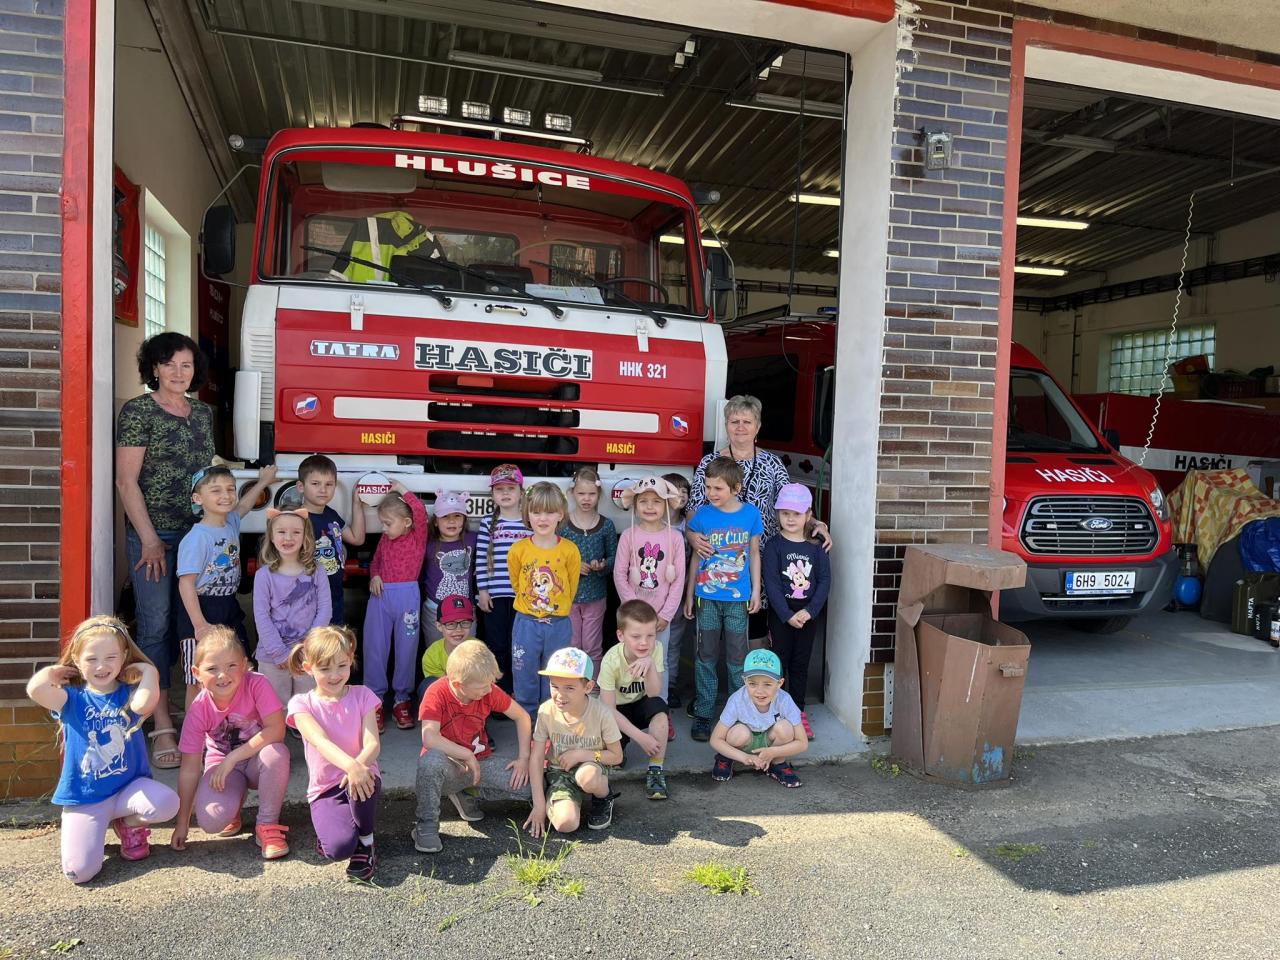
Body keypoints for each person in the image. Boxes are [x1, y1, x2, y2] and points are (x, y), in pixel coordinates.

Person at [115, 332, 215, 770]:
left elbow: (207, 473)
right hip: (153, 537)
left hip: (198, 537)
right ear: (154, 368)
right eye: (170, 363)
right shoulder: (139, 411)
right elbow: (126, 482)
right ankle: (161, 723)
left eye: (186, 365)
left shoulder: (203, 414)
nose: (178, 372)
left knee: (191, 624)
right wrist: (150, 539)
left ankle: (196, 713)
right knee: (155, 626)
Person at [27, 616, 179, 884]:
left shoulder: (128, 693)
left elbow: (144, 705)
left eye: (111, 657)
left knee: (167, 803)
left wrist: (150, 672)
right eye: (91, 659)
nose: (101, 666)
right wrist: (50, 674)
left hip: (127, 789)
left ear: (124, 657)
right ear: (76, 659)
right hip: (87, 797)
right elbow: (36, 690)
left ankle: (127, 824)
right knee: (79, 873)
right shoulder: (71, 698)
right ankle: (92, 829)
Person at [686, 395, 832, 641]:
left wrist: (816, 524)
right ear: (726, 425)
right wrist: (692, 536)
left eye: (747, 421)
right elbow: (694, 507)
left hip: (761, 557)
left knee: (755, 628)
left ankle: (753, 666)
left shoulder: (772, 463)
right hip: (718, 561)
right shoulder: (709, 463)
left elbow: (791, 504)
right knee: (713, 636)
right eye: (734, 421)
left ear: (758, 427)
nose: (740, 427)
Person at [172, 628, 291, 859]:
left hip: (257, 761)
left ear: (244, 665)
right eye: (212, 668)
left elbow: (276, 730)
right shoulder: (198, 709)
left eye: (231, 666)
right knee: (211, 822)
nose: (222, 675)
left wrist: (233, 758)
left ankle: (267, 824)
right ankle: (233, 805)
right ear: (196, 673)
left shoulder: (257, 684)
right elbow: (189, 770)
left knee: (276, 754)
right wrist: (182, 823)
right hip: (224, 769)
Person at [413, 640, 533, 854]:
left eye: (490, 684)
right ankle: (426, 825)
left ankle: (468, 793)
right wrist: (466, 754)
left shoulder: (488, 689)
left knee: (531, 786)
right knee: (430, 763)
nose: (488, 690)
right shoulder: (436, 692)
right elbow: (429, 737)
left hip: (480, 764)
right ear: (458, 684)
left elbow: (522, 717)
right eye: (482, 687)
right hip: (450, 767)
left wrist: (524, 759)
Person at [175, 464, 277, 708]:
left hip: (228, 605)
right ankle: (195, 727)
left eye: (230, 489)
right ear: (197, 499)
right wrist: (199, 625)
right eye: (216, 490)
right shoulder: (196, 538)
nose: (226, 495)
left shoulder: (230, 523)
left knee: (240, 664)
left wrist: (263, 483)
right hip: (201, 610)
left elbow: (243, 506)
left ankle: (233, 719)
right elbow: (186, 584)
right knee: (199, 678)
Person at [285, 625, 381, 882]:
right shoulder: (301, 704)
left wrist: (358, 767)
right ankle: (338, 831)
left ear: (350, 659)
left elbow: (372, 743)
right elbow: (319, 741)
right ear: (309, 668)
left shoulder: (363, 695)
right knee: (338, 849)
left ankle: (367, 842)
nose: (335, 675)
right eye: (325, 668)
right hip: (325, 787)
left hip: (361, 774)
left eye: (341, 665)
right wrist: (351, 766)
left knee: (363, 782)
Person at [683, 457, 764, 742]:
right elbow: (696, 557)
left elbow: (754, 554)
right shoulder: (703, 516)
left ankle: (737, 713)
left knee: (737, 658)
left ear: (736, 488)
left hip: (737, 600)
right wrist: (689, 594)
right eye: (707, 487)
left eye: (718, 488)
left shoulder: (751, 515)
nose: (711, 493)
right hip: (706, 597)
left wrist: (756, 590)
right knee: (705, 656)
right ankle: (704, 713)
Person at [525, 647, 623, 837]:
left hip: (591, 767)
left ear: (588, 687)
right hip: (559, 773)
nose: (560, 695)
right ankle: (557, 799)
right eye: (554, 686)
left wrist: (581, 754)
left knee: (587, 777)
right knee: (566, 824)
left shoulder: (602, 713)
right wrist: (538, 804)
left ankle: (603, 797)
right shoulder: (546, 711)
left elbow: (617, 756)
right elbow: (536, 757)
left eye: (569, 688)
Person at [762, 484, 831, 741]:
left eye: (797, 513)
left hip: (807, 616)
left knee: (800, 664)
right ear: (778, 514)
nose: (790, 519)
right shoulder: (774, 546)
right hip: (781, 616)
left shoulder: (817, 546)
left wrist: (810, 611)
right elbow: (772, 583)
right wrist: (786, 615)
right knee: (778, 663)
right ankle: (777, 712)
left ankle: (798, 712)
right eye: (785, 513)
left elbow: (824, 581)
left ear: (808, 514)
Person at [507, 481, 581, 718]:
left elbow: (571, 587)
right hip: (526, 623)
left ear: (560, 514)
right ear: (527, 514)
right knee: (524, 674)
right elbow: (517, 584)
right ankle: (527, 722)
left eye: (549, 512)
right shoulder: (518, 550)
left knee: (556, 675)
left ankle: (552, 722)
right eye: (536, 512)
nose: (543, 518)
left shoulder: (570, 550)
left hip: (558, 624)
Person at [614, 476, 686, 708]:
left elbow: (678, 581)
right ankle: (631, 705)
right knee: (630, 657)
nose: (649, 506)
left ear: (666, 504)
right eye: (643, 501)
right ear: (635, 505)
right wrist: (634, 611)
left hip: (660, 618)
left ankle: (658, 706)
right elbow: (620, 574)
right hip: (633, 616)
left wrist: (666, 614)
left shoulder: (675, 538)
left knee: (658, 661)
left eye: (656, 501)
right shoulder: (628, 536)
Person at [363, 481, 429, 732]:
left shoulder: (417, 536)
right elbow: (376, 561)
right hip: (381, 597)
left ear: (407, 522)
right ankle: (375, 700)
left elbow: (419, 510)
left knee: (406, 649)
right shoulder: (385, 539)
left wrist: (401, 488)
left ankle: (402, 699)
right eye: (382, 523)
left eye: (388, 523)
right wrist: (375, 576)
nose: (384, 528)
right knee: (375, 648)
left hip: (407, 598)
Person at [253, 507, 331, 710]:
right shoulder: (263, 575)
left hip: (307, 654)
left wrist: (308, 648)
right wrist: (278, 652)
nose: (288, 538)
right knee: (274, 706)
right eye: (281, 532)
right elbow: (261, 615)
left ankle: (301, 725)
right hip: (272, 655)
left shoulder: (317, 570)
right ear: (271, 536)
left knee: (307, 704)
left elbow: (325, 609)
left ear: (305, 536)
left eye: (296, 532)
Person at [596, 600, 670, 800]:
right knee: (614, 759)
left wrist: (650, 665)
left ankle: (656, 769)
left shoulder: (656, 649)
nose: (644, 643)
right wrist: (640, 737)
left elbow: (654, 693)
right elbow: (608, 710)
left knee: (660, 712)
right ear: (621, 636)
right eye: (636, 636)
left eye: (650, 635)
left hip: (640, 703)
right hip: (616, 712)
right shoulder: (611, 660)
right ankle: (620, 749)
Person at [709, 649, 807, 788]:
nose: (760, 691)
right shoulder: (737, 699)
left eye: (767, 684)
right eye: (753, 683)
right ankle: (726, 757)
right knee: (738, 732)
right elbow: (715, 739)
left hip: (770, 745)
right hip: (744, 743)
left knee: (785, 728)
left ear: (779, 683)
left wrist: (773, 752)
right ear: (745, 681)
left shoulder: (785, 700)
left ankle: (777, 763)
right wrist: (745, 757)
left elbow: (802, 743)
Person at [558, 466, 618, 679]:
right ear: (572, 493)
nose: (586, 498)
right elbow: (555, 558)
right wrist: (574, 566)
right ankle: (572, 683)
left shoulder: (606, 525)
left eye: (591, 494)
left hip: (596, 596)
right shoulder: (563, 525)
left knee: (592, 645)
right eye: (581, 493)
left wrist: (602, 565)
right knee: (572, 643)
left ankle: (593, 684)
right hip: (569, 596)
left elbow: (615, 557)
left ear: (599, 494)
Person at [475, 463, 530, 693]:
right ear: (493, 494)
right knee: (497, 645)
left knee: (519, 646)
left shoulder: (530, 522)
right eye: (499, 489)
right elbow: (480, 558)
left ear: (521, 492)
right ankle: (498, 692)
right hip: (495, 596)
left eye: (511, 488)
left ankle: (518, 691)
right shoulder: (488, 522)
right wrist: (483, 591)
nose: (505, 493)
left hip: (523, 597)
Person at [296, 454, 367, 626]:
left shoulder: (331, 514)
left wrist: (356, 504)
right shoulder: (297, 519)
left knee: (333, 639)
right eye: (315, 484)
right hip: (309, 601)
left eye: (329, 484)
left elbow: (357, 539)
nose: (323, 489)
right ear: (301, 486)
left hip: (335, 595)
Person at [420, 490, 477, 644]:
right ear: (435, 521)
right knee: (435, 649)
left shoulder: (472, 539)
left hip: (465, 610)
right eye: (445, 516)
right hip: (435, 609)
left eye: (457, 516)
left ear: (464, 520)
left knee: (467, 652)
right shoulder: (429, 543)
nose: (452, 521)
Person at [662, 472, 694, 710]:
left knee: (674, 641)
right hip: (656, 591)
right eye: (675, 491)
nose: (681, 496)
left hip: (680, 591)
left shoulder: (689, 526)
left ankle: (670, 684)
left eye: (685, 491)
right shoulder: (653, 524)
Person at [418, 594, 477, 699]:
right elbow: (440, 687)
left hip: (472, 698)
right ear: (439, 626)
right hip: (446, 698)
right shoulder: (432, 655)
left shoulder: (479, 650)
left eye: (464, 623)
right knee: (427, 685)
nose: (458, 629)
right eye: (451, 624)